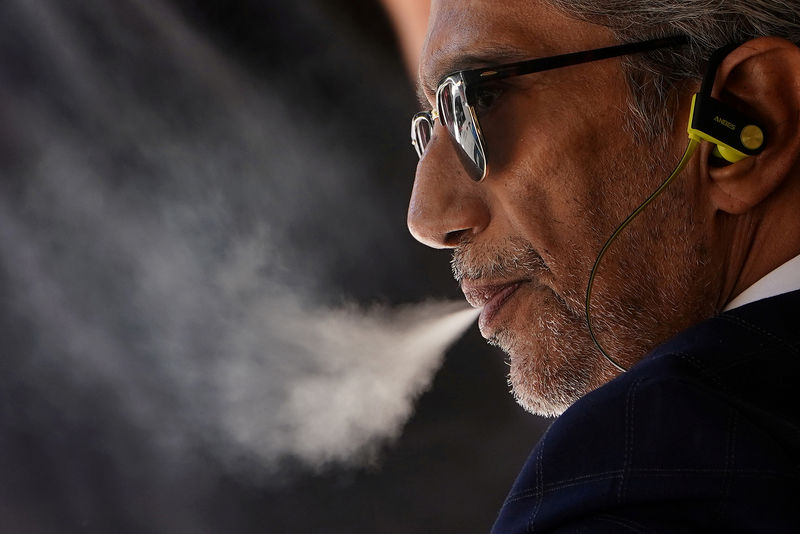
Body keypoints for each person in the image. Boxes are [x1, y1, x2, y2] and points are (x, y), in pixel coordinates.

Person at [406, 0, 800, 531]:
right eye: (430, 127)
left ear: (752, 117)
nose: (427, 220)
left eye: (478, 99)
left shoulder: (636, 490)